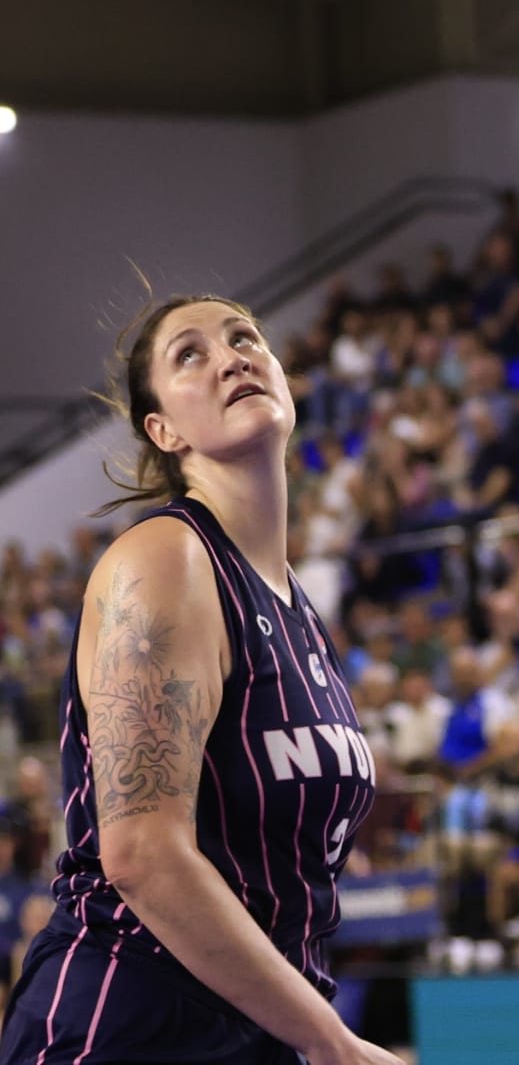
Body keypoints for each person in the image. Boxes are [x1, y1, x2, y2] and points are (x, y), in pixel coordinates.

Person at [0, 296, 400, 1064]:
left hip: (258, 1030)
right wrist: (335, 1044)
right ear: (164, 431)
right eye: (190, 353)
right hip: (132, 1022)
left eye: (246, 338)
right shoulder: (164, 560)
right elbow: (143, 854)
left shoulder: (298, 609)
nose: (232, 356)